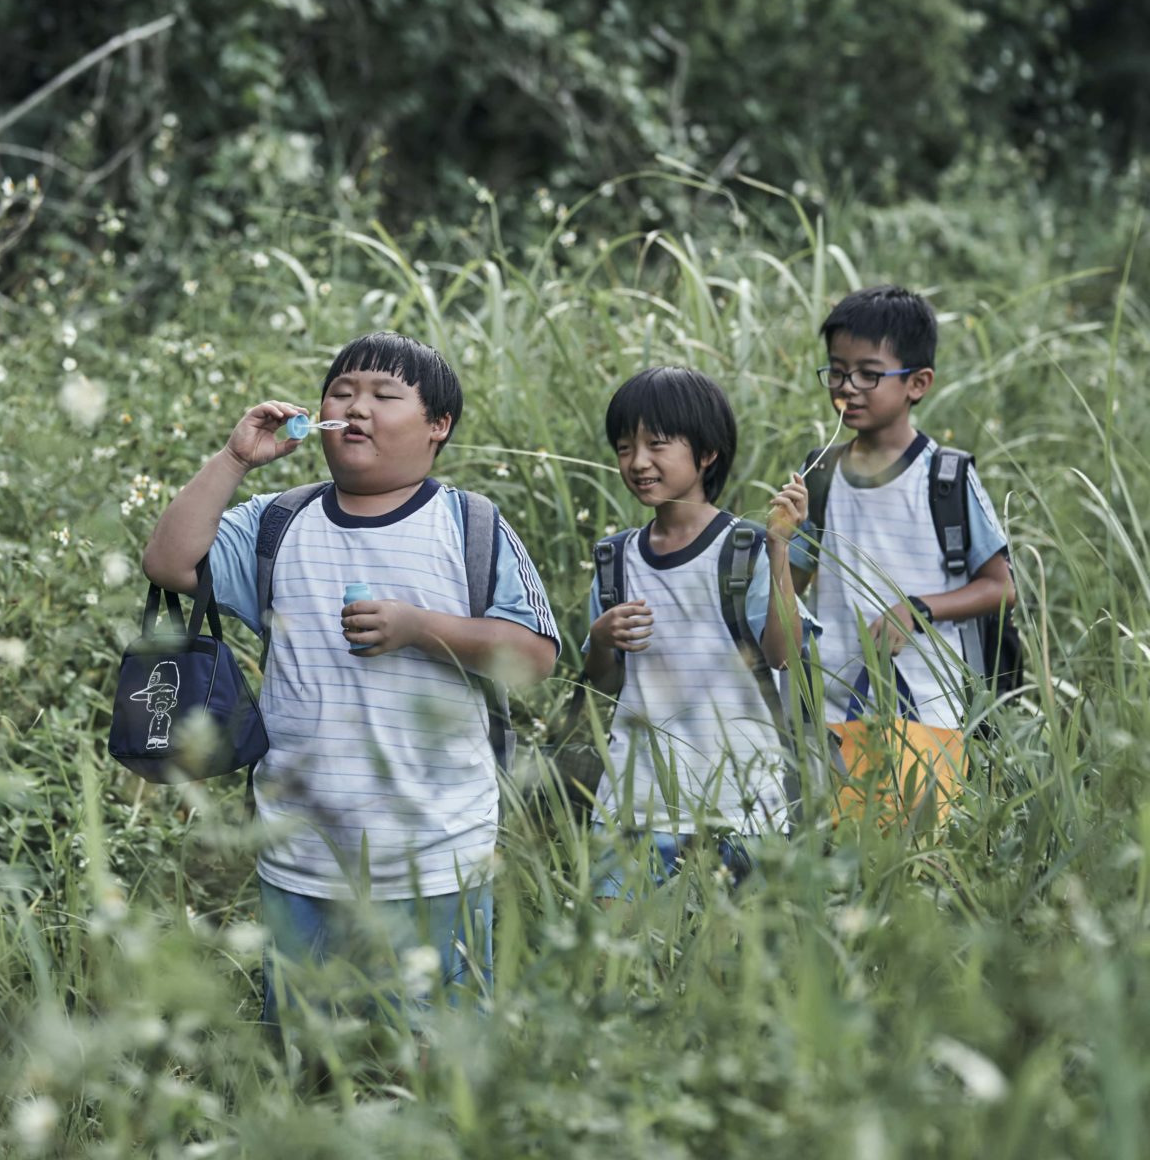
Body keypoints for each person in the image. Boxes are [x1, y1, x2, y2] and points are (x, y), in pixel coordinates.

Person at [140, 331, 558, 1030]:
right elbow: (168, 562)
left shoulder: (468, 525)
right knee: (309, 1060)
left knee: (434, 1060)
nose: (355, 407)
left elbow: (536, 657)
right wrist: (235, 460)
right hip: (300, 858)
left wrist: (419, 628)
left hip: (439, 860)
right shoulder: (280, 522)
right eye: (342, 392)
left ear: (437, 426)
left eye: (384, 396)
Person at [582, 367, 813, 898]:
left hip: (739, 808)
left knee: (729, 968)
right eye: (624, 447)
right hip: (631, 805)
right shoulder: (615, 558)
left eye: (657, 445)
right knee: (620, 961)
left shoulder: (745, 548)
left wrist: (779, 549)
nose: (638, 462)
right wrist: (600, 638)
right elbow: (601, 680)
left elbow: (784, 655)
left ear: (707, 453)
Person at [791, 286, 1014, 739]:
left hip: (934, 713)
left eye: (869, 375)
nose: (847, 387)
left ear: (918, 383)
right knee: (843, 812)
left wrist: (914, 611)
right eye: (836, 372)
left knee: (925, 812)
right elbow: (791, 589)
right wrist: (781, 537)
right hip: (835, 710)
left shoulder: (944, 478)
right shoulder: (820, 473)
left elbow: (1001, 586)